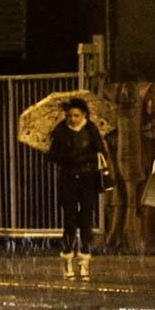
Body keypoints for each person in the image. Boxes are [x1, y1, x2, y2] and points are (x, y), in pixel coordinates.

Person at [46, 97, 109, 280]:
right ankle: (67, 260)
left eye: (76, 115)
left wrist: (85, 157)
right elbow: (52, 155)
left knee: (87, 220)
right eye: (70, 115)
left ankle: (84, 262)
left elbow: (101, 152)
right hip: (68, 179)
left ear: (84, 115)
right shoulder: (61, 130)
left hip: (88, 179)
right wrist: (67, 157)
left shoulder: (91, 129)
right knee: (70, 220)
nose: (73, 119)